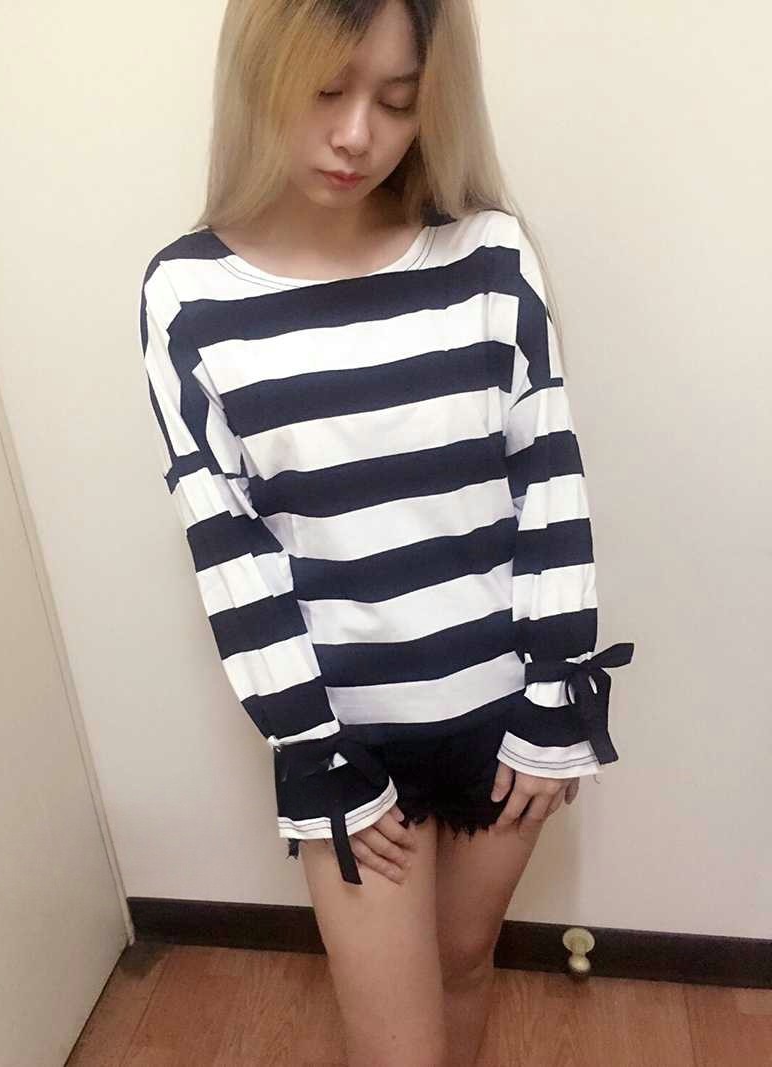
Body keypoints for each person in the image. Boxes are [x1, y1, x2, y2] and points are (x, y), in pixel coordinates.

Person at [138, 1, 635, 1063]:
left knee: (464, 969)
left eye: (397, 101)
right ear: (260, 74)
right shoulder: (188, 296)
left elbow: (547, 479)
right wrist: (314, 748)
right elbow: (229, 545)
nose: (357, 134)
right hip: (345, 737)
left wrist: (555, 692)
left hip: (505, 716)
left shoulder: (489, 257)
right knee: (395, 1043)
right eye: (324, 91)